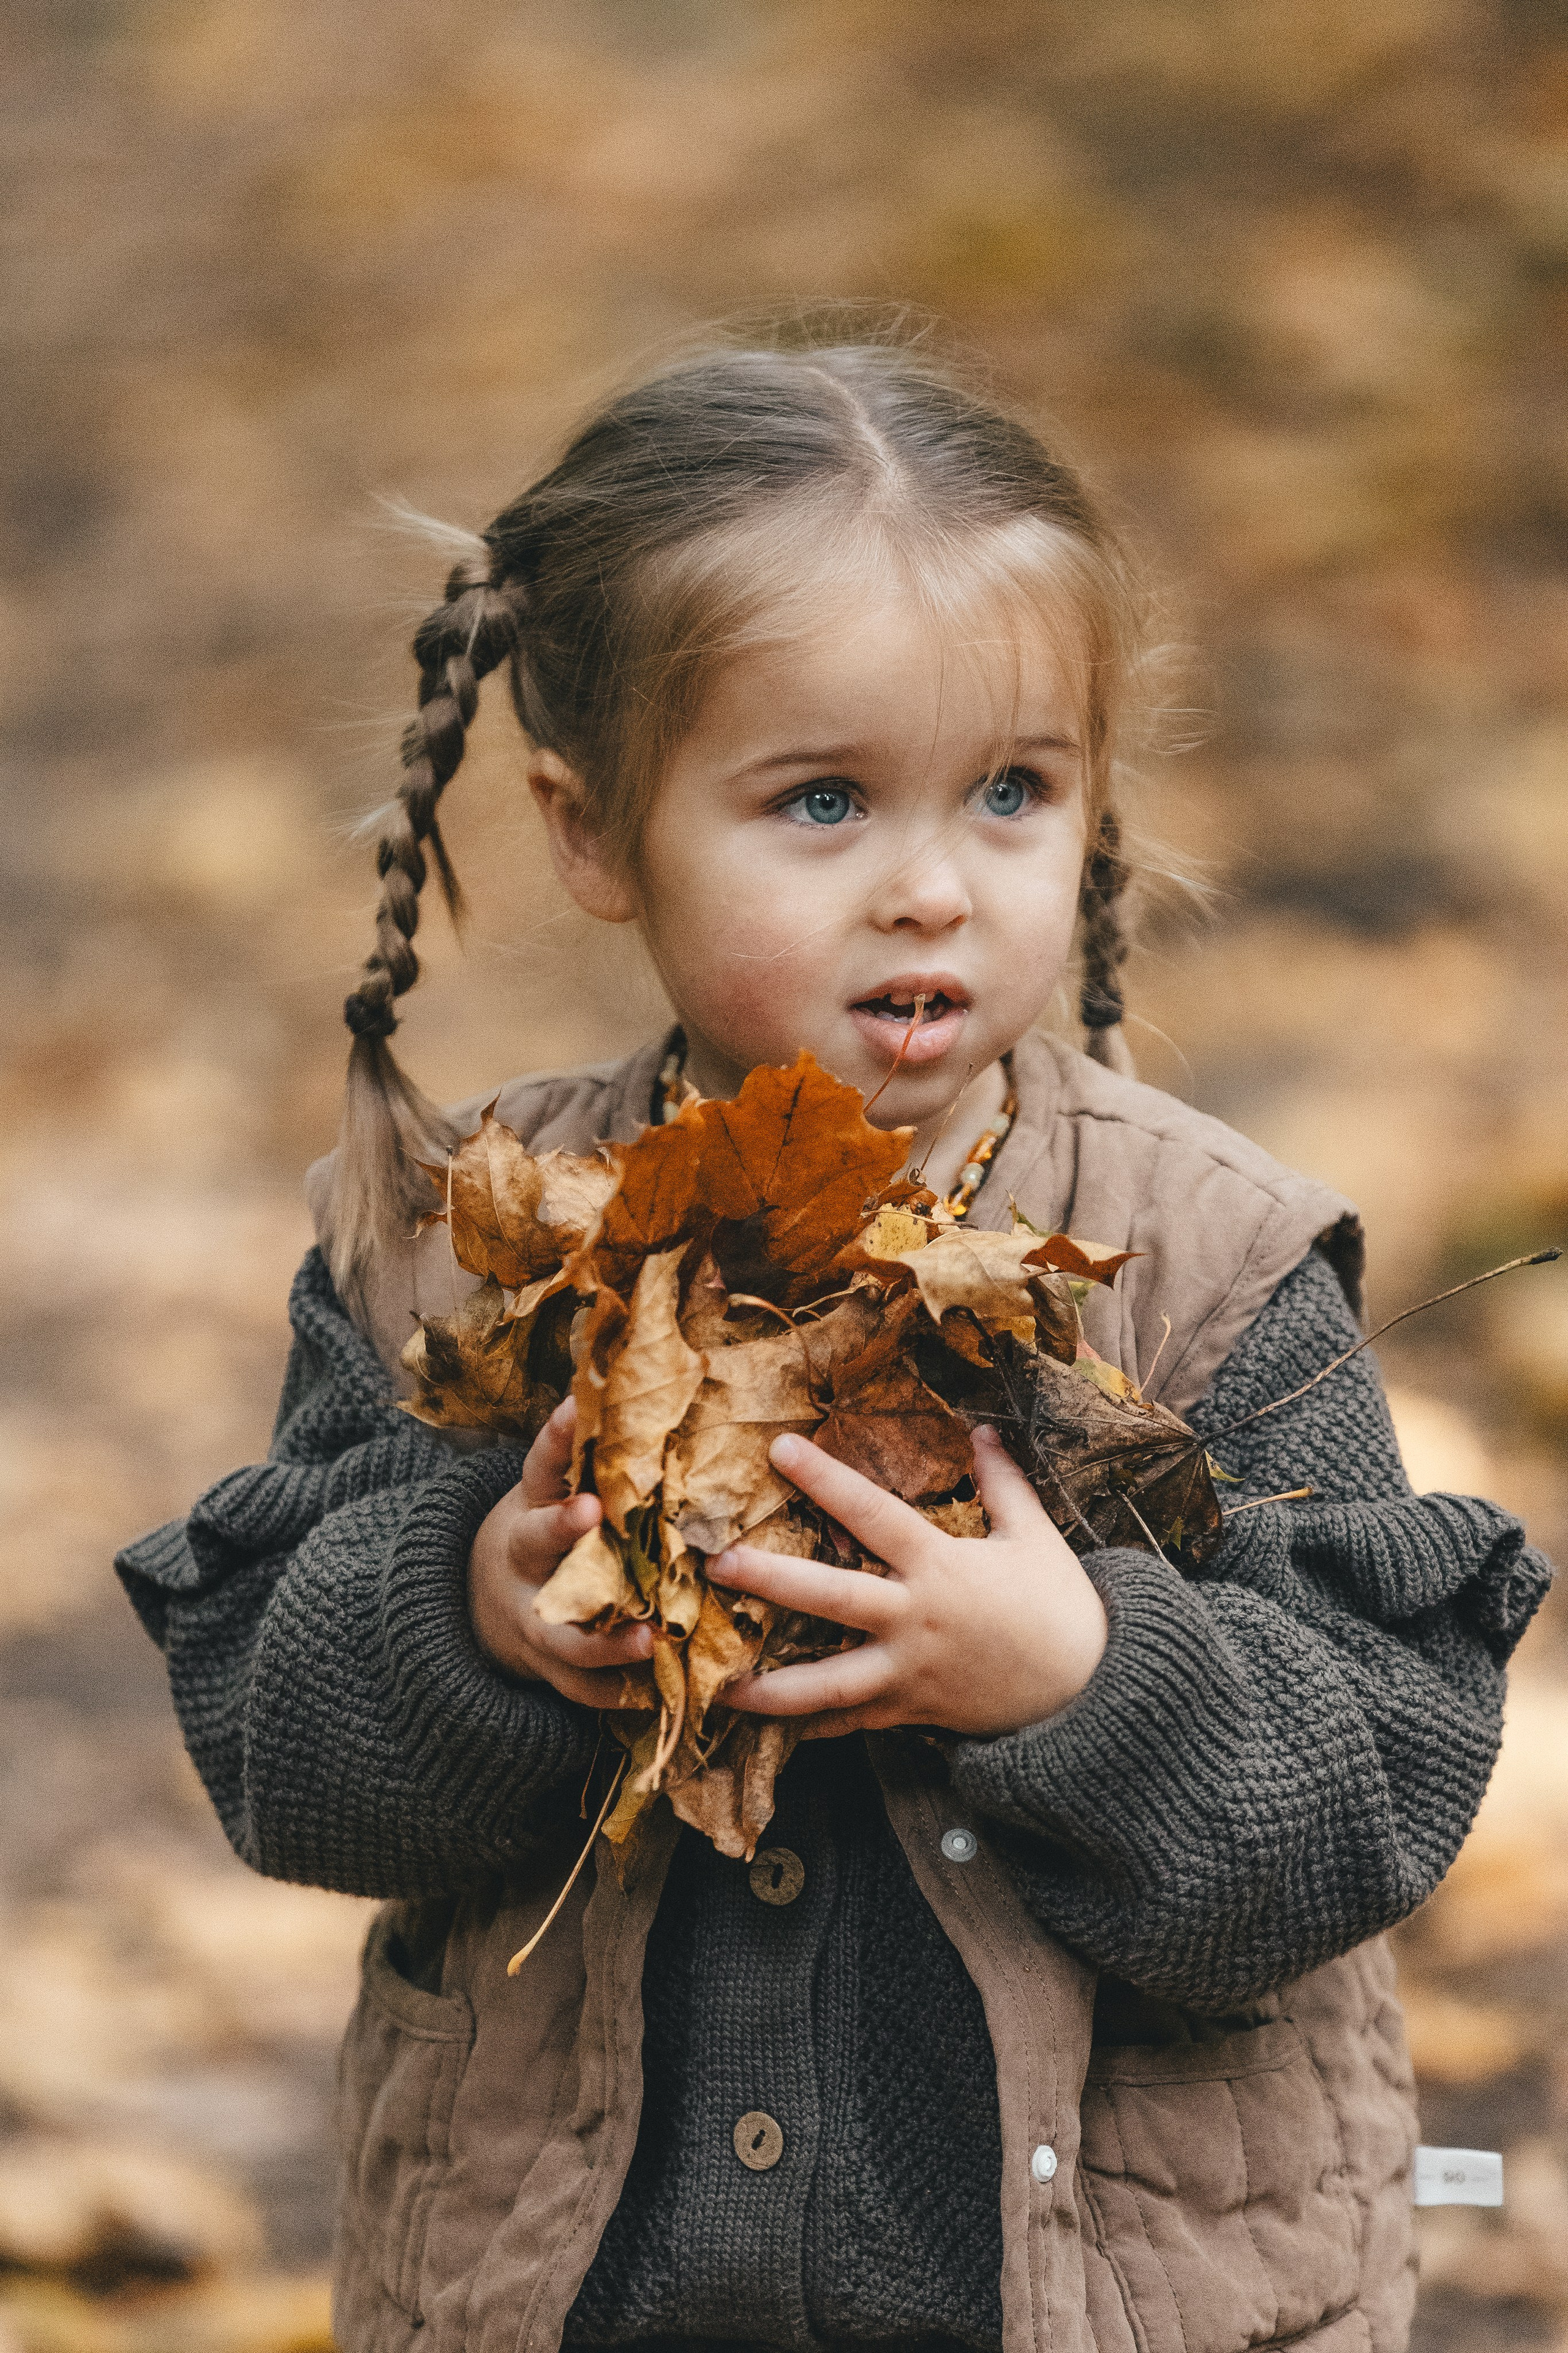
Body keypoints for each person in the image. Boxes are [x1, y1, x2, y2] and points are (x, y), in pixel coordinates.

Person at [118, 340, 1551, 2353]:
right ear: (593, 830)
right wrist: (472, 1616)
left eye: (1012, 791)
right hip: (575, 2297)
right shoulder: (473, 1260)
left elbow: (1370, 1796)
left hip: (1113, 2303)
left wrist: (1086, 1680)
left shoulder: (1206, 1268)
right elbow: (277, 1749)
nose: (933, 888)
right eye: (822, 799)